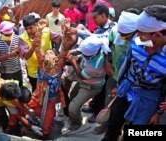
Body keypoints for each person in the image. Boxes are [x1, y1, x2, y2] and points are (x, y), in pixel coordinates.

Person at [102, 5, 166, 141]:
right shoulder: (136, 43)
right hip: (127, 90)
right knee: (113, 125)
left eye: (142, 36)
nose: (138, 39)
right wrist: (120, 85)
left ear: (158, 35)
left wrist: (158, 113)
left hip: (148, 101)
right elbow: (127, 65)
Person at [26, 22, 77, 138]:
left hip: (49, 96)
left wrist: (67, 30)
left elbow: (64, 48)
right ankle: (41, 122)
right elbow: (38, 46)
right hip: (41, 95)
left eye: (51, 53)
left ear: (56, 58)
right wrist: (39, 30)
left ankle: (46, 131)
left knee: (50, 114)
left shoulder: (54, 64)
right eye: (47, 52)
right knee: (35, 108)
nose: (49, 54)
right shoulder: (44, 63)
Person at [94, 8, 140, 134]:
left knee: (123, 107)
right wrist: (107, 62)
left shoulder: (140, 42)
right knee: (108, 102)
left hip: (130, 82)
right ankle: (106, 125)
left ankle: (117, 127)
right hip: (114, 75)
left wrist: (123, 85)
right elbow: (106, 45)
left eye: (126, 34)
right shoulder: (115, 31)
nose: (122, 36)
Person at [62, 34, 110, 134]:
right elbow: (81, 50)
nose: (83, 55)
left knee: (73, 107)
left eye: (85, 55)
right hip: (85, 82)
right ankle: (75, 114)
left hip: (91, 86)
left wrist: (72, 60)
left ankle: (76, 122)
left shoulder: (95, 65)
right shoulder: (96, 45)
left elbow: (82, 75)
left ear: (92, 54)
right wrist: (71, 52)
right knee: (73, 96)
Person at [19, 15, 61, 92]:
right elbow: (26, 57)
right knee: (36, 91)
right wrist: (33, 47)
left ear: (35, 25)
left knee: (52, 90)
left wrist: (56, 51)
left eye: (30, 28)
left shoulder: (46, 31)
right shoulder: (22, 38)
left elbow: (60, 38)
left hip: (48, 68)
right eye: (26, 29)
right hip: (34, 72)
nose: (28, 31)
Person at [0, 21, 23, 87]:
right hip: (5, 71)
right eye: (7, 35)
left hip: (17, 69)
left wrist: (20, 51)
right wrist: (9, 55)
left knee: (19, 87)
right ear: (1, 33)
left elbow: (21, 56)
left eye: (10, 34)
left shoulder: (16, 38)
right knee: (6, 89)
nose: (9, 36)